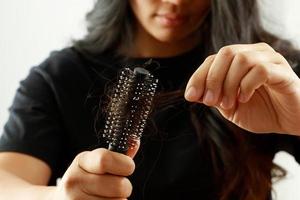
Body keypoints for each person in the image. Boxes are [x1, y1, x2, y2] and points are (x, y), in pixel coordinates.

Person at [0, 0, 300, 200]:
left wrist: (296, 118)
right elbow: (7, 181)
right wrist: (57, 196)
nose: (176, 2)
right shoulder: (60, 77)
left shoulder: (269, 73)